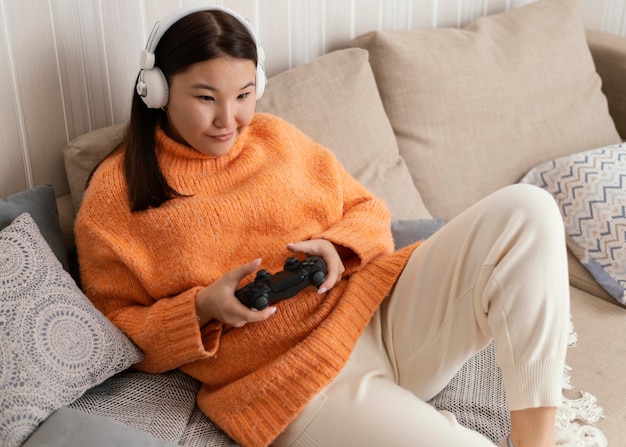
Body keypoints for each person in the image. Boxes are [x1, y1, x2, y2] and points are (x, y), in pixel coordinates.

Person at [74, 5, 570, 447]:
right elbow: (111, 330)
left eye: (244, 94)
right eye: (206, 98)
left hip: (379, 316)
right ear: (157, 91)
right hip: (296, 387)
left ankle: (535, 441)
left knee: (528, 210)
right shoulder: (115, 198)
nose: (229, 119)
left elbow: (371, 210)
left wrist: (339, 247)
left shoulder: (276, 138)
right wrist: (201, 308)